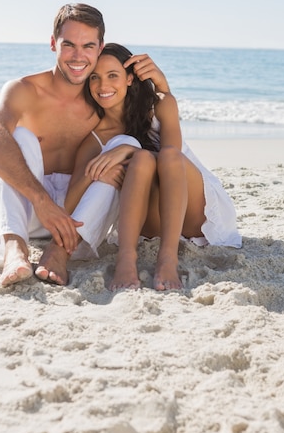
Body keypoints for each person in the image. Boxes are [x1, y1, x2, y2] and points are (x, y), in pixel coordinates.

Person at [0, 3, 168, 286]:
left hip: (81, 216)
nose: (78, 56)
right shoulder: (25, 90)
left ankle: (60, 252)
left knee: (122, 144)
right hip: (30, 208)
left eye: (88, 46)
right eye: (69, 45)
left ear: (100, 47)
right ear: (53, 43)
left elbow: (161, 136)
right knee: (19, 137)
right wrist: (42, 201)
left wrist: (162, 86)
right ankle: (15, 249)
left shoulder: (105, 98)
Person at [52, 43, 242, 290]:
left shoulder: (161, 104)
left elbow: (170, 157)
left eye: (113, 76)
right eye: (94, 78)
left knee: (162, 157)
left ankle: (168, 258)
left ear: (129, 79)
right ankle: (126, 260)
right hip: (149, 222)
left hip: (191, 209)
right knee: (141, 160)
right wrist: (96, 171)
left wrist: (128, 150)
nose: (103, 86)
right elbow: (69, 206)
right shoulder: (94, 138)